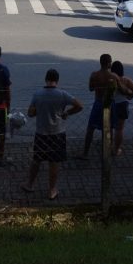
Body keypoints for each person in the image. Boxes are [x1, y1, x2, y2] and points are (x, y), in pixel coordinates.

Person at [21, 68, 83, 200]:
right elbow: (79, 106)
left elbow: (30, 113)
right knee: (54, 162)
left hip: (41, 133)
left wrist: (40, 111)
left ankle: (30, 184)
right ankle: (51, 190)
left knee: (37, 160)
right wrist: (67, 113)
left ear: (46, 79)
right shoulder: (62, 94)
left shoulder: (38, 94)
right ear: (57, 80)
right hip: (57, 133)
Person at [81, 54, 130, 159]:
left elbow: (90, 88)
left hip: (98, 103)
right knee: (108, 129)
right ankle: (107, 153)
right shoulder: (114, 76)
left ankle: (85, 153)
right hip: (109, 104)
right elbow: (122, 89)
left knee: (90, 128)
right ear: (108, 63)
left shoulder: (94, 75)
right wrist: (129, 91)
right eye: (110, 62)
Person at [110, 61, 133, 156]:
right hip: (122, 104)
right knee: (119, 129)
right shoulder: (126, 80)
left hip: (110, 104)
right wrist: (130, 96)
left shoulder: (110, 79)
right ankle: (116, 149)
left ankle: (108, 147)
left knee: (109, 127)